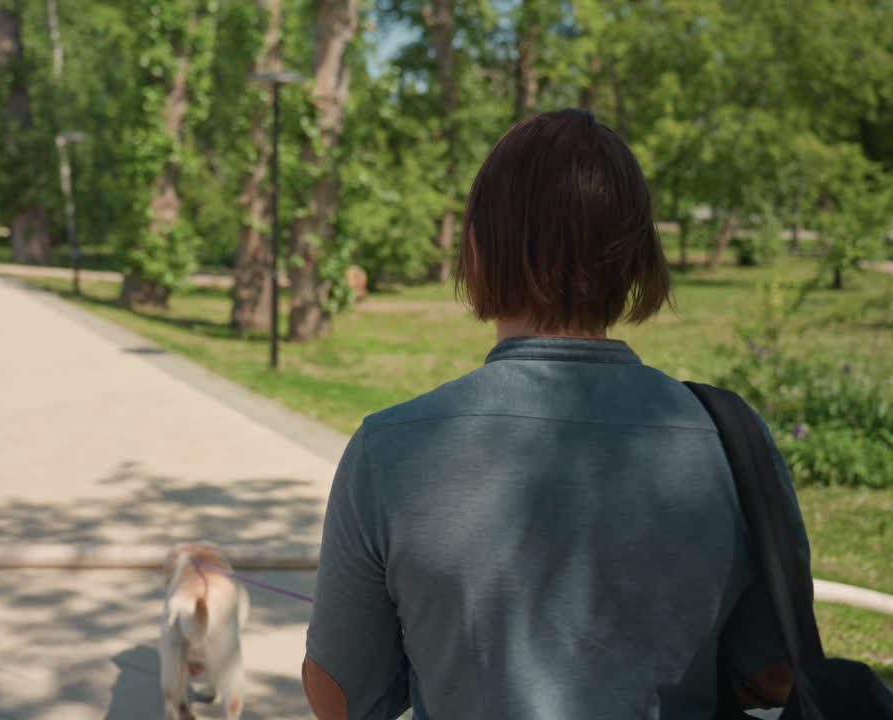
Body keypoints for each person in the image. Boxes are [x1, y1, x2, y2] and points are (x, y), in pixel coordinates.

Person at [301, 109, 807, 719]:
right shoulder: (734, 443)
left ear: (477, 250)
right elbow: (776, 671)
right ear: (637, 256)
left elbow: (341, 698)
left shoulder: (389, 452)